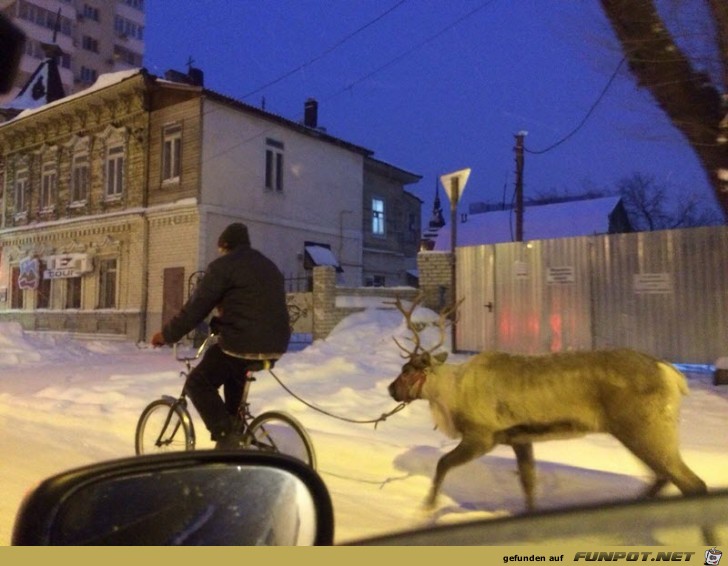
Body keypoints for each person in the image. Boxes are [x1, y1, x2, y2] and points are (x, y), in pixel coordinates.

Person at [151, 222, 290, 449]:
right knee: (233, 371)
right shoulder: (269, 266)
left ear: (225, 246)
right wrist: (221, 323)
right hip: (276, 344)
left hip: (243, 343)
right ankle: (235, 436)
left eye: (220, 249)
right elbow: (252, 306)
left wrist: (167, 335)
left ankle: (226, 436)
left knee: (197, 382)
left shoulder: (223, 267)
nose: (220, 253)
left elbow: (196, 308)